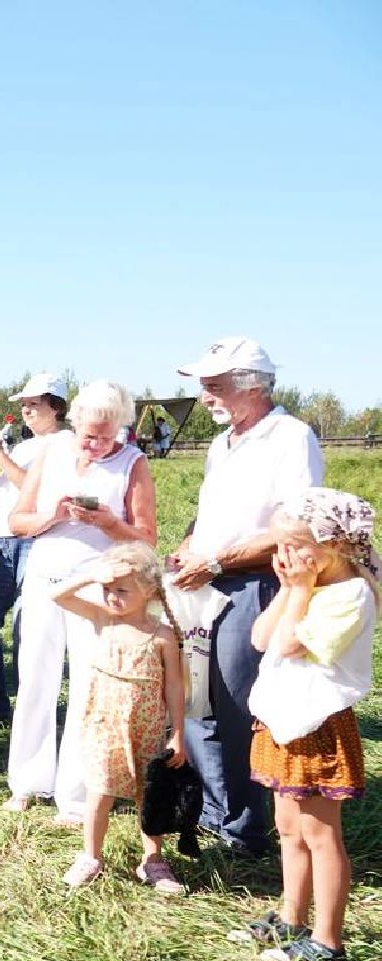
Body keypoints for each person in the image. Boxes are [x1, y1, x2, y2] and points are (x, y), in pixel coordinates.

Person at [170, 337, 323, 857]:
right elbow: (212, 511)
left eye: (214, 386)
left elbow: (296, 524)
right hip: (206, 584)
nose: (205, 397)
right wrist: (189, 545)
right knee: (198, 699)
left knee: (238, 707)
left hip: (253, 585)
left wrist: (217, 561)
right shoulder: (223, 443)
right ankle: (214, 812)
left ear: (252, 386)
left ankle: (245, 828)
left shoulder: (291, 437)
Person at [7, 381, 157, 820]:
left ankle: (76, 796)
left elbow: (147, 538)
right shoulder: (52, 450)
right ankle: (27, 782)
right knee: (34, 677)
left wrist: (109, 523)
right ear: (74, 423)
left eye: (108, 437)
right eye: (90, 435)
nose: (97, 445)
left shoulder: (133, 462)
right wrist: (52, 516)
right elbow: (17, 520)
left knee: (89, 686)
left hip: (97, 585)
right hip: (44, 578)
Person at [243, 489, 375, 961]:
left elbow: (287, 645)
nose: (285, 557)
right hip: (283, 719)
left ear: (333, 545)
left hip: (316, 723)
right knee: (288, 828)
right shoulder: (308, 586)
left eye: (295, 546)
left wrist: (298, 591)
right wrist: (288, 589)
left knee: (321, 835)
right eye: (279, 546)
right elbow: (261, 638)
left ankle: (327, 940)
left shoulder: (350, 594)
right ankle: (291, 916)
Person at [48, 543, 189, 893]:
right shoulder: (103, 619)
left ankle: (152, 859)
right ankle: (91, 857)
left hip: (147, 727)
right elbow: (57, 595)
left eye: (122, 590)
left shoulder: (162, 635)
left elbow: (174, 686)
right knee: (100, 791)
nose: (112, 596)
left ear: (149, 591)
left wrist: (177, 734)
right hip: (104, 725)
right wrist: (91, 575)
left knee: (148, 794)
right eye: (107, 589)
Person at [0, 374, 70, 726]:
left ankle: (35, 712)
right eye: (24, 404)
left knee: (28, 627)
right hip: (2, 540)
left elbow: (36, 490)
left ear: (56, 407)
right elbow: (11, 489)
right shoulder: (26, 445)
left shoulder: (64, 443)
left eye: (34, 404)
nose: (27, 410)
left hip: (34, 540)